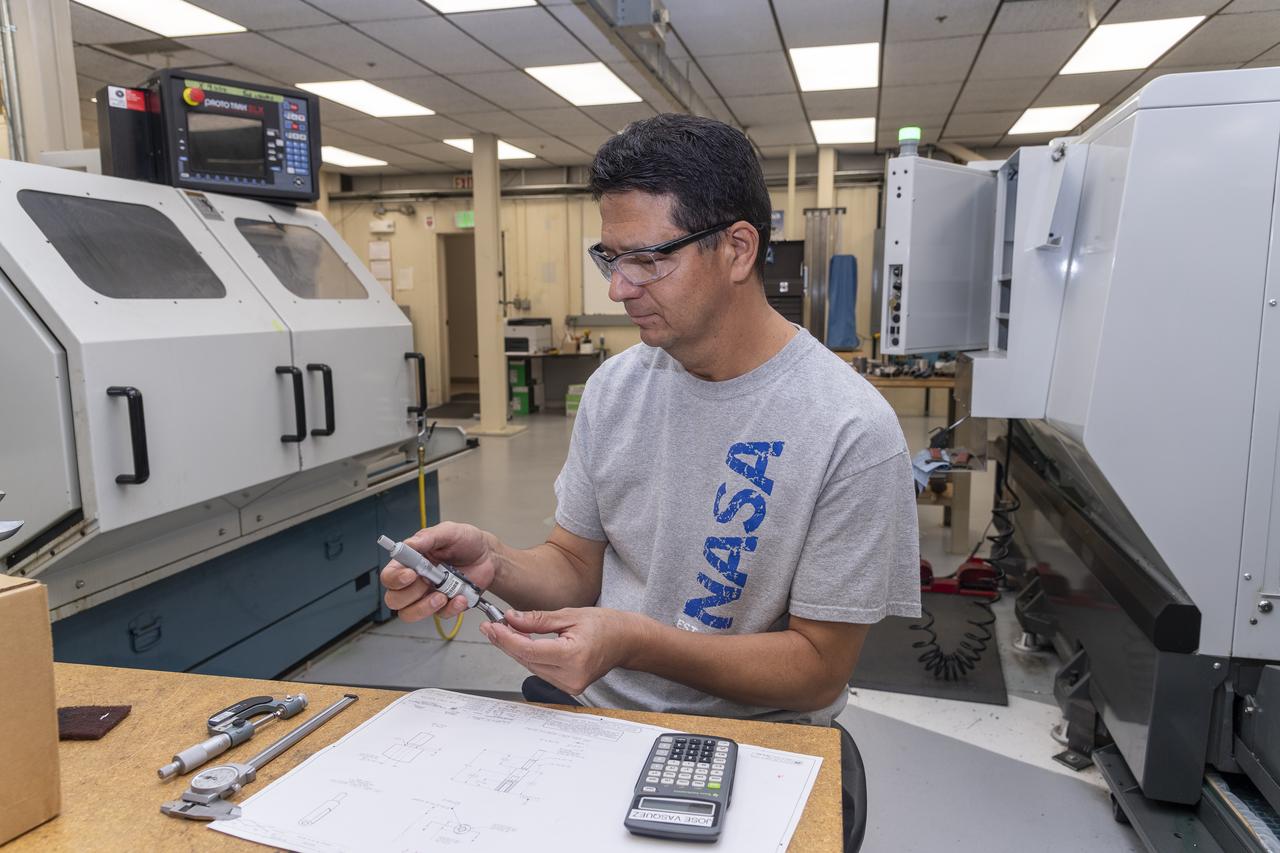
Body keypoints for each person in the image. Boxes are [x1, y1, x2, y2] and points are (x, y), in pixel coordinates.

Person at [381, 114, 920, 727]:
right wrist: (495, 563)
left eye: (644, 258)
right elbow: (576, 567)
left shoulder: (851, 429)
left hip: (756, 732)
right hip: (595, 708)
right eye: (610, 259)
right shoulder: (615, 388)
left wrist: (635, 642)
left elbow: (820, 668)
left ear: (738, 250)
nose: (618, 289)